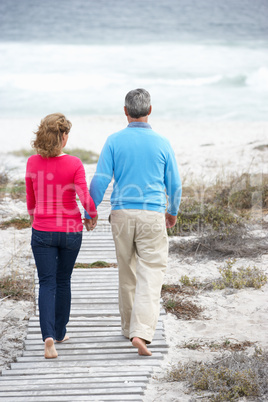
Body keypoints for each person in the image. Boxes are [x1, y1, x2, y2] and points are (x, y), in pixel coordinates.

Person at [85, 89, 181, 356]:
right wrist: (172, 211)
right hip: (152, 215)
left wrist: (91, 212)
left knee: (127, 271)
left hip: (122, 214)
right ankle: (141, 332)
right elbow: (174, 183)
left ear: (125, 111)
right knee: (151, 273)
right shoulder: (162, 142)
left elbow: (100, 179)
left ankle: (128, 328)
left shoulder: (114, 141)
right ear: (150, 110)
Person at [25, 113, 97, 359]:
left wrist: (37, 218)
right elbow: (84, 196)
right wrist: (92, 215)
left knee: (46, 282)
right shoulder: (75, 163)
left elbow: (31, 200)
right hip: (70, 231)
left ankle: (47, 338)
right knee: (63, 280)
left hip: (43, 231)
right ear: (63, 136)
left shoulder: (32, 162)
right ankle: (59, 332)